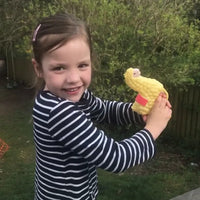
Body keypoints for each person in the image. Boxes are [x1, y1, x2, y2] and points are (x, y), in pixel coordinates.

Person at [31, 12, 172, 200]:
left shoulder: (72, 96)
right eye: (59, 68)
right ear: (38, 68)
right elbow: (116, 158)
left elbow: (104, 110)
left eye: (82, 65)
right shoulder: (58, 112)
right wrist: (153, 128)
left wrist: (138, 111)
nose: (74, 79)